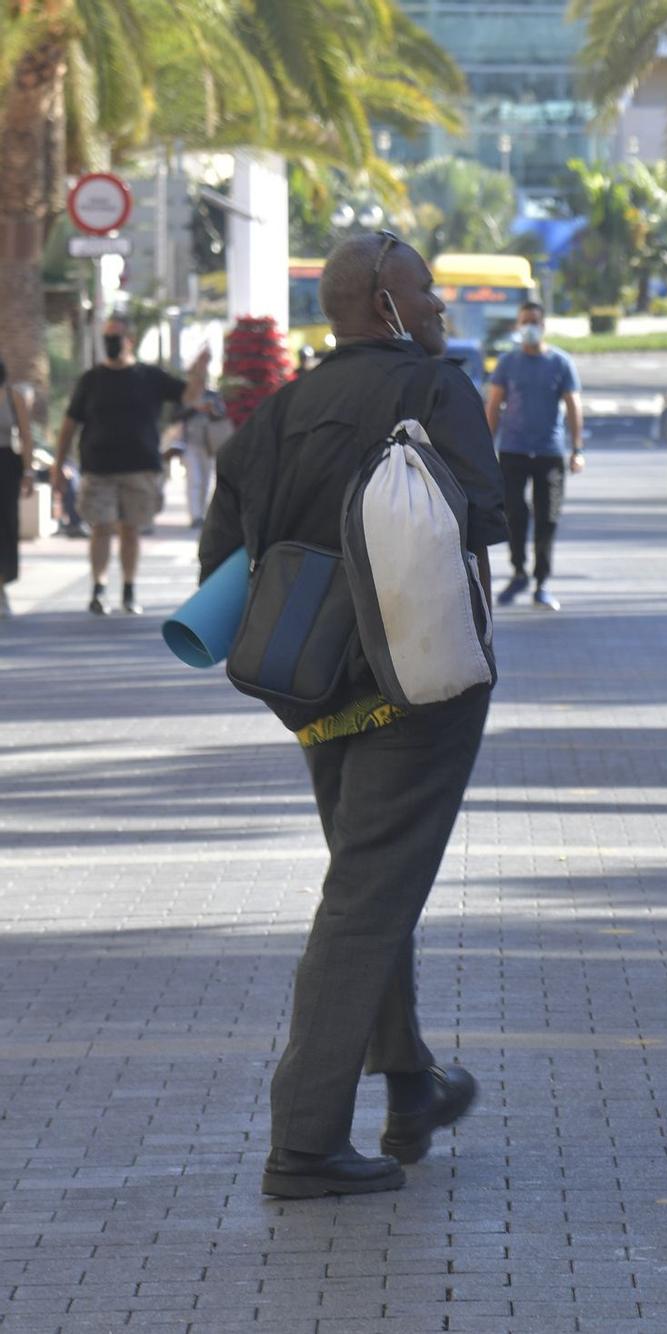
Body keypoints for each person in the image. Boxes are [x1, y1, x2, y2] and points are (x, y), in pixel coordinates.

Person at [201, 230, 508, 1198]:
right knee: (366, 899)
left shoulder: (283, 407)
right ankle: (305, 1140)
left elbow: (223, 545)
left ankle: (411, 1079)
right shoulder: (431, 387)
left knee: (371, 881)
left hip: (314, 687)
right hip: (411, 686)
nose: (438, 306)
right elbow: (484, 516)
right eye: (424, 290)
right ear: (383, 300)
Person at [52, 318, 210, 614]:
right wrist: (58, 465)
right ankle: (98, 590)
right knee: (101, 527)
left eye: (116, 336)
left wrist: (200, 370)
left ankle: (128, 589)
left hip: (140, 467)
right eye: (106, 336)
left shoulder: (149, 376)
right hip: (98, 467)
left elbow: (190, 397)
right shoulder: (91, 379)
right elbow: (69, 424)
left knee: (130, 530)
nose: (111, 342)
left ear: (130, 339)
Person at [484, 300, 582, 611]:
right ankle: (518, 570)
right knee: (514, 513)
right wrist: (486, 448)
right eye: (525, 321)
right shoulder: (507, 363)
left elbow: (573, 407)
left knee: (547, 517)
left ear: (543, 326)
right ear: (518, 325)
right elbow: (494, 406)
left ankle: (541, 581)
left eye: (535, 322)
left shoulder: (560, 363)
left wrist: (577, 449)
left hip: (548, 453)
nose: (530, 327)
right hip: (512, 451)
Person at [166, 387, 230, 528]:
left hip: (209, 444)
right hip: (188, 444)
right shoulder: (183, 395)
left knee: (207, 481)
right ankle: (195, 515)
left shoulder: (213, 395)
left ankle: (204, 513)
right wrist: (194, 408)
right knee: (194, 480)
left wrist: (211, 409)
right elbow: (174, 417)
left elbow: (222, 415)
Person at [0, 358, 33, 618]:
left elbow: (25, 435)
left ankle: (2, 588)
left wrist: (29, 471)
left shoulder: (13, 396)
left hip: (6, 464)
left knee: (7, 525)